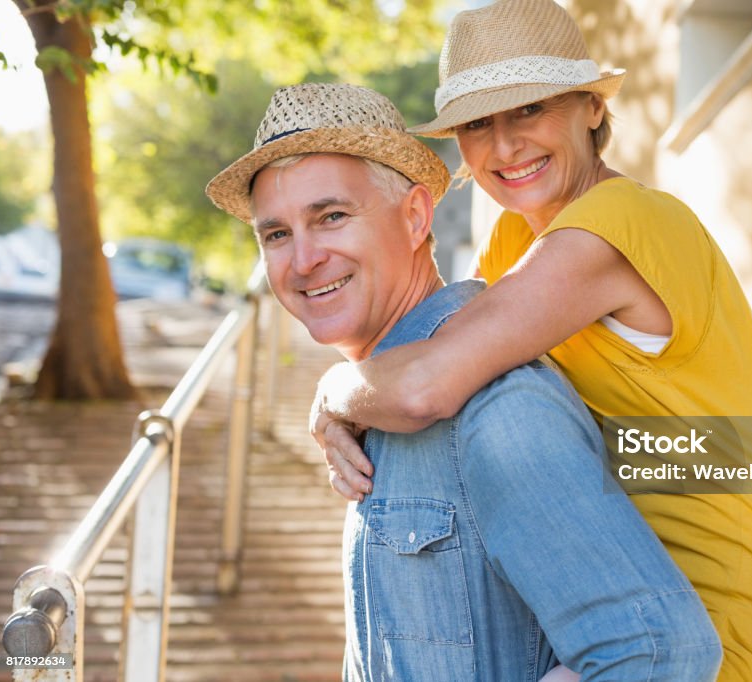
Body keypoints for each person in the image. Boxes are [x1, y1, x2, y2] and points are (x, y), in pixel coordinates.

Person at [308, 1, 752, 680]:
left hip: (719, 616)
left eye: (530, 110)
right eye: (477, 123)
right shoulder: (514, 240)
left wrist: (332, 393)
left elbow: (424, 384)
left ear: (590, 106)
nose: (504, 147)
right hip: (624, 586)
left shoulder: (619, 225)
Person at [206, 82, 722, 681]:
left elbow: (660, 652)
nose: (302, 260)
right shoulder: (382, 395)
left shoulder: (498, 411)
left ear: (417, 216)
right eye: (276, 235)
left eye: (333, 217)